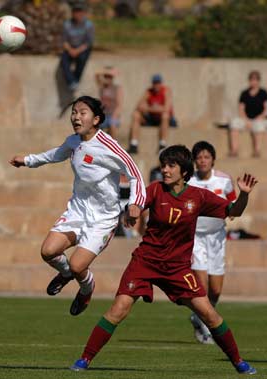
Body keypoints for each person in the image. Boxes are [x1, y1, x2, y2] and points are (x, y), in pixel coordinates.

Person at [70, 145, 257, 375]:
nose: (165, 170)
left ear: (184, 171)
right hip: (145, 262)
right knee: (118, 309)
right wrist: (132, 211)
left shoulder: (198, 196)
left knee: (209, 314)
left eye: (171, 166)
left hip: (177, 268)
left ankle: (239, 362)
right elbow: (137, 202)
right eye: (164, 165)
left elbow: (234, 211)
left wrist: (244, 194)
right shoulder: (156, 190)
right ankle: (84, 359)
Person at [10, 95, 146, 316]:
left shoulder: (108, 145)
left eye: (82, 113)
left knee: (77, 266)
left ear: (96, 119)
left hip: (103, 218)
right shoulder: (73, 141)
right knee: (48, 252)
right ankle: (65, 275)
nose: (76, 117)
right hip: (77, 211)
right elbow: (55, 154)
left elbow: (135, 174)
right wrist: (28, 160)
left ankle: (86, 288)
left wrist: (136, 204)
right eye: (74, 112)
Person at [188, 141, 236, 344]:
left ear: (213, 159)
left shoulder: (224, 180)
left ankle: (199, 316)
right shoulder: (189, 181)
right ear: (194, 161)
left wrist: (233, 210)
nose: (202, 161)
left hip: (217, 238)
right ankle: (207, 326)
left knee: (215, 290)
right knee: (202, 285)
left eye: (206, 157)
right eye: (199, 157)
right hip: (195, 238)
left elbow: (233, 204)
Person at [127, 74, 176, 154]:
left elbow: (166, 109)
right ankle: (134, 144)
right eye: (155, 83)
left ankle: (162, 145)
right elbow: (139, 106)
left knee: (165, 115)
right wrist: (155, 108)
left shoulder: (166, 91)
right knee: (136, 114)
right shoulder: (149, 91)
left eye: (158, 83)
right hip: (152, 118)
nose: (156, 85)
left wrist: (149, 108)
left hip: (164, 119)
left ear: (161, 83)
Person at [229, 70, 267, 158]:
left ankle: (257, 151)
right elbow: (241, 109)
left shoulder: (263, 93)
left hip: (259, 119)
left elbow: (266, 109)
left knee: (259, 126)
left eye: (255, 80)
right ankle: (234, 150)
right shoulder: (244, 93)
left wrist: (259, 117)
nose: (253, 82)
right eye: (251, 80)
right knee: (234, 122)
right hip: (246, 119)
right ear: (249, 81)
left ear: (258, 81)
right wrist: (246, 121)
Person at [61, 2, 94, 91]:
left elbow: (89, 42)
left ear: (83, 13)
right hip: (70, 48)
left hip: (82, 48)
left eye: (80, 11)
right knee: (64, 61)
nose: (78, 14)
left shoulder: (88, 25)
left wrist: (77, 51)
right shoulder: (67, 24)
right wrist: (70, 50)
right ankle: (71, 82)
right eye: (76, 11)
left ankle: (76, 79)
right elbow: (64, 41)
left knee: (82, 59)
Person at [95, 66, 123, 140]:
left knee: (112, 123)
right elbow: (96, 74)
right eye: (106, 76)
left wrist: (115, 115)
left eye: (109, 76)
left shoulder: (117, 88)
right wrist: (107, 71)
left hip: (113, 115)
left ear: (112, 77)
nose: (107, 78)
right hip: (103, 115)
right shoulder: (102, 86)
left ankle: (114, 146)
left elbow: (119, 105)